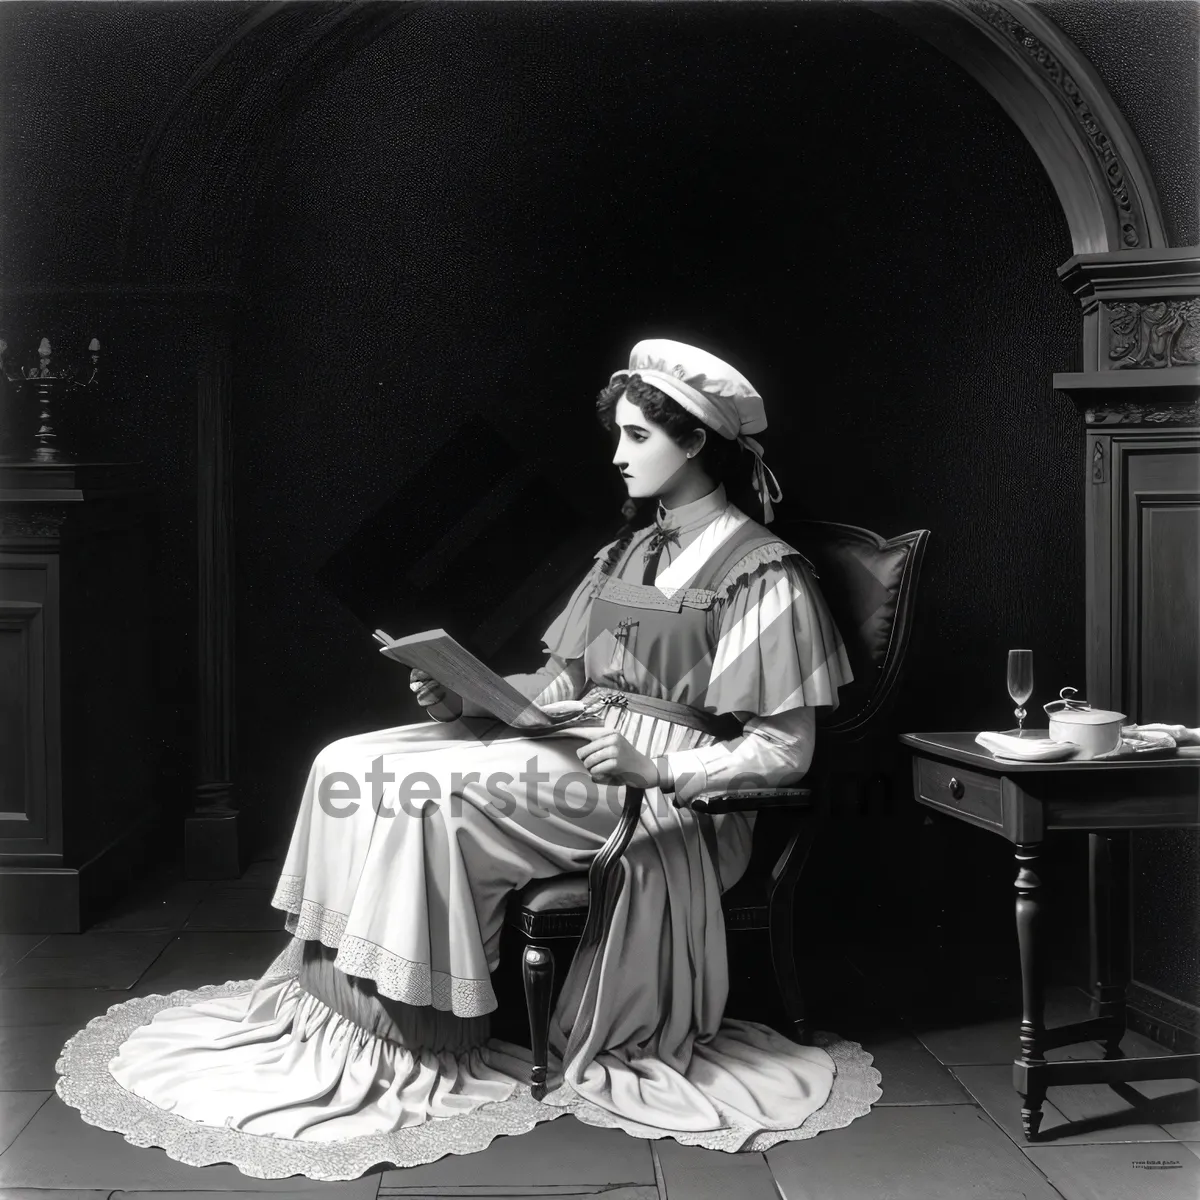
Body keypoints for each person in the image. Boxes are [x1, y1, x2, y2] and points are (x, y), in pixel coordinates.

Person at [58, 339, 881, 1179]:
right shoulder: (632, 553)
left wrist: (658, 767)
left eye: (637, 436)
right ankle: (343, 1010)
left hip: (668, 795)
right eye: (620, 435)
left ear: (697, 441)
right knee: (346, 762)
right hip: (583, 742)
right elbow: (565, 676)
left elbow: (785, 748)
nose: (617, 454)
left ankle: (415, 1037)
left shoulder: (760, 573)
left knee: (427, 795)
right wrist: (466, 697)